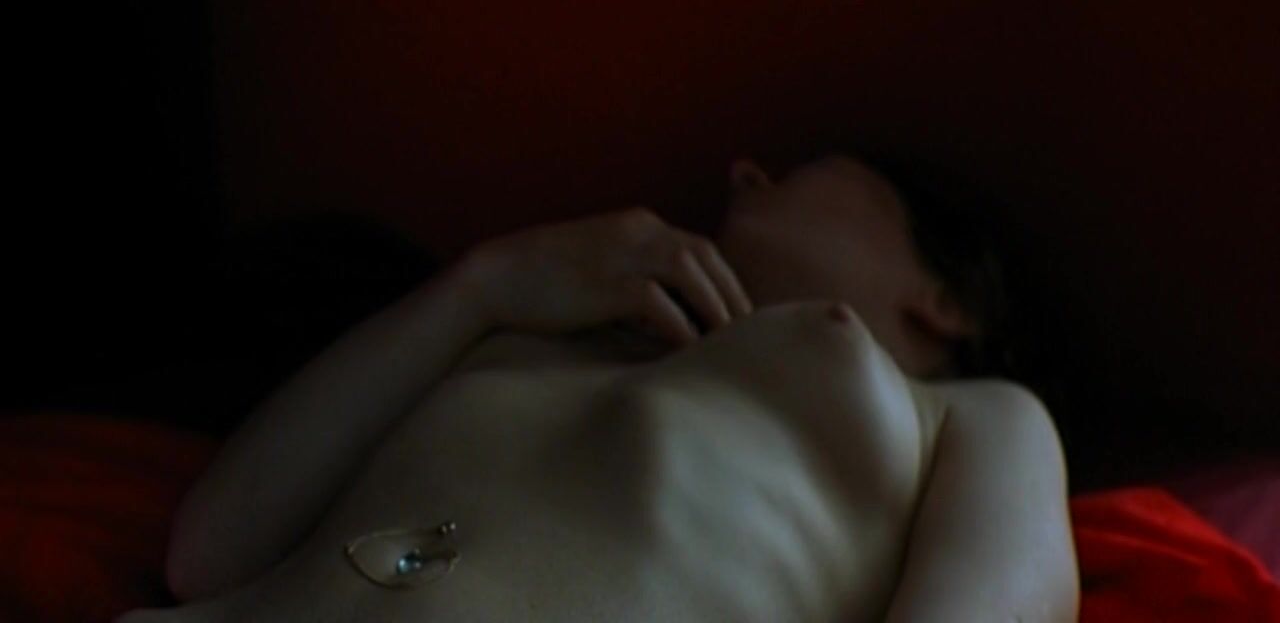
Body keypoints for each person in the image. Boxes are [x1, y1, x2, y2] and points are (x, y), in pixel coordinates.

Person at [117, 153, 1079, 622]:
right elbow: (210, 552)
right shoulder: (534, 337)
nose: (743, 173)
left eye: (797, 171)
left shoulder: (973, 415)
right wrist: (487, 282)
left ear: (948, 303)